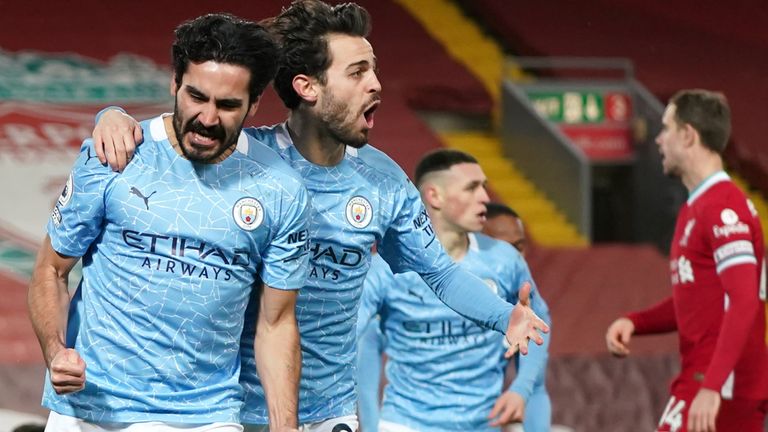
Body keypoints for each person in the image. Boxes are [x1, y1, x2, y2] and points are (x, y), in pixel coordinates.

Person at [91, 2, 549, 431]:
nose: (376, 84)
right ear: (307, 87)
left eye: (374, 70)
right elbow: (180, 136)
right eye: (357, 72)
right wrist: (112, 117)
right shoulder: (245, 159)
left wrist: (503, 316)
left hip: (331, 410)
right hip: (234, 407)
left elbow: (442, 275)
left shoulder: (383, 181)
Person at [27, 13, 311, 431]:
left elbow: (276, 322)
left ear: (253, 104)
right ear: (174, 83)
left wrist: (284, 427)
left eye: (228, 105)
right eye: (197, 96)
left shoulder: (282, 190)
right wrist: (56, 353)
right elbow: (51, 270)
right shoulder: (112, 155)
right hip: (92, 409)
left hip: (206, 417)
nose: (208, 118)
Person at [605, 90, 768, 432]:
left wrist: (711, 387)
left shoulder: (724, 209)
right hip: (707, 379)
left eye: (666, 128)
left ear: (688, 134)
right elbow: (698, 300)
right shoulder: (696, 207)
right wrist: (637, 321)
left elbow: (743, 301)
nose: (659, 139)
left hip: (723, 386)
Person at [356, 150, 552, 432]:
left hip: (484, 424)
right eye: (472, 188)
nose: (485, 197)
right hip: (407, 424)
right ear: (435, 196)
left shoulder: (505, 260)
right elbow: (353, 337)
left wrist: (520, 389)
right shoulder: (386, 268)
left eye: (483, 186)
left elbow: (539, 327)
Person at [483, 202, 552, 432]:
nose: (516, 258)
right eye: (505, 248)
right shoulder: (444, 293)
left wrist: (521, 389)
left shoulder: (526, 301)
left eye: (520, 247)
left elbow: (535, 387)